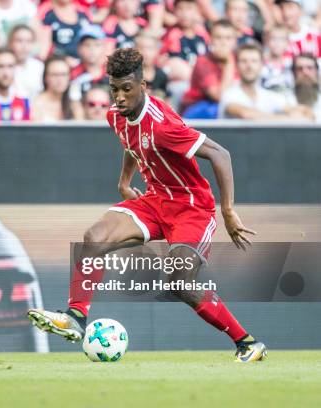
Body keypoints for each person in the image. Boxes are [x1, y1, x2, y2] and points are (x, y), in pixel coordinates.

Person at [27, 47, 268, 363]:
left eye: (127, 89)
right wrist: (124, 182)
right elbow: (131, 145)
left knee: (180, 282)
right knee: (94, 239)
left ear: (143, 86)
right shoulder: (116, 115)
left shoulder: (163, 125)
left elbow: (220, 154)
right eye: (114, 89)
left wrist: (228, 211)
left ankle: (247, 343)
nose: (120, 97)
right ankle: (76, 317)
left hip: (192, 207)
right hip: (155, 200)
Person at [219, 42, 310, 119]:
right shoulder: (229, 93)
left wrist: (302, 113)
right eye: (244, 61)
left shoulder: (267, 95)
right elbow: (246, 114)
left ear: (262, 65)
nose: (249, 66)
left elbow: (303, 111)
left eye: (254, 61)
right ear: (237, 66)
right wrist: (290, 120)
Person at [180, 19, 238, 118]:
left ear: (235, 41)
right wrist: (229, 62)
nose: (223, 42)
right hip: (198, 110)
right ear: (210, 39)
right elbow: (220, 97)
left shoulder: (240, 60)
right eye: (218, 37)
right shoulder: (203, 62)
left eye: (228, 38)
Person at [161, 0, 209, 81]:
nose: (184, 14)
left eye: (189, 9)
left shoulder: (203, 34)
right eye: (180, 9)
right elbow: (175, 63)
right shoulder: (172, 35)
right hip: (182, 81)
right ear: (174, 11)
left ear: (197, 11)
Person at [32, 54, 84, 121]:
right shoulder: (36, 103)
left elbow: (80, 128)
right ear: (45, 78)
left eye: (64, 74)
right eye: (55, 75)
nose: (60, 79)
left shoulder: (74, 104)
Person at [70, 25, 109, 102]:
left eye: (97, 45)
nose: (92, 49)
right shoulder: (72, 74)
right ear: (78, 48)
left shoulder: (113, 73)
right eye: (87, 45)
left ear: (104, 47)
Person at [8, 24, 44, 98]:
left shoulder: (39, 67)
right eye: (19, 41)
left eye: (29, 41)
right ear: (10, 43)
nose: (24, 46)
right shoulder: (3, 66)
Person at [260, 24, 294, 95]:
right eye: (273, 39)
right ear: (267, 41)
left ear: (287, 42)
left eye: (282, 39)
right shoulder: (261, 65)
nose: (277, 43)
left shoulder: (292, 64)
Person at [135, 31, 169, 100]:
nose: (146, 53)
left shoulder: (161, 76)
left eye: (150, 48)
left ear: (157, 51)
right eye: (141, 48)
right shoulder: (128, 75)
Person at [291, 53, 321, 121]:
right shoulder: (285, 98)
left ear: (316, 71)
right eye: (299, 69)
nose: (305, 72)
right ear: (293, 73)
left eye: (309, 68)